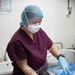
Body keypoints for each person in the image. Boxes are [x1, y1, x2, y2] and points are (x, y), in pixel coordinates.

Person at [6, 5, 71, 75]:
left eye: (40, 22)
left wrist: (60, 56)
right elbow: (24, 66)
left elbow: (51, 47)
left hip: (42, 70)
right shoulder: (16, 41)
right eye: (35, 23)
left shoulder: (38, 31)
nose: (38, 25)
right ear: (25, 21)